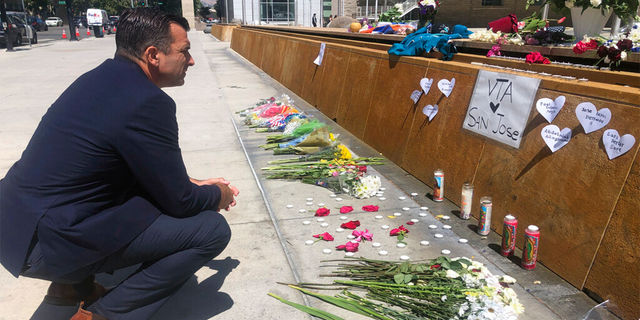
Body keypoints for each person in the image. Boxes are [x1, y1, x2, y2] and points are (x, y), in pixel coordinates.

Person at [0, 8, 238, 320]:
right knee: (211, 230)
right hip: (45, 244)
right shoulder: (149, 102)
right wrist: (218, 194)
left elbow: (126, 166)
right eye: (184, 51)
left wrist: (192, 183)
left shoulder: (99, 79)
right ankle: (104, 315)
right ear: (153, 55)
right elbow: (180, 202)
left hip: (14, 226)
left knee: (130, 199)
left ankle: (71, 289)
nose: (190, 61)